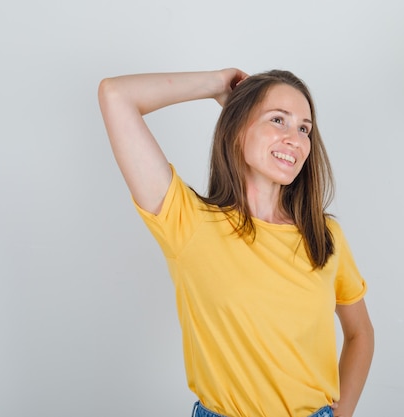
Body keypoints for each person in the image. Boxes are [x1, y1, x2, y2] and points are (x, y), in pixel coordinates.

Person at [98, 68, 374, 417]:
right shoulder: (188, 221)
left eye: (304, 128)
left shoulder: (323, 235)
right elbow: (115, 95)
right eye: (278, 120)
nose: (296, 139)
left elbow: (360, 333)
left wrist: (341, 413)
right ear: (237, 132)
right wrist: (216, 84)